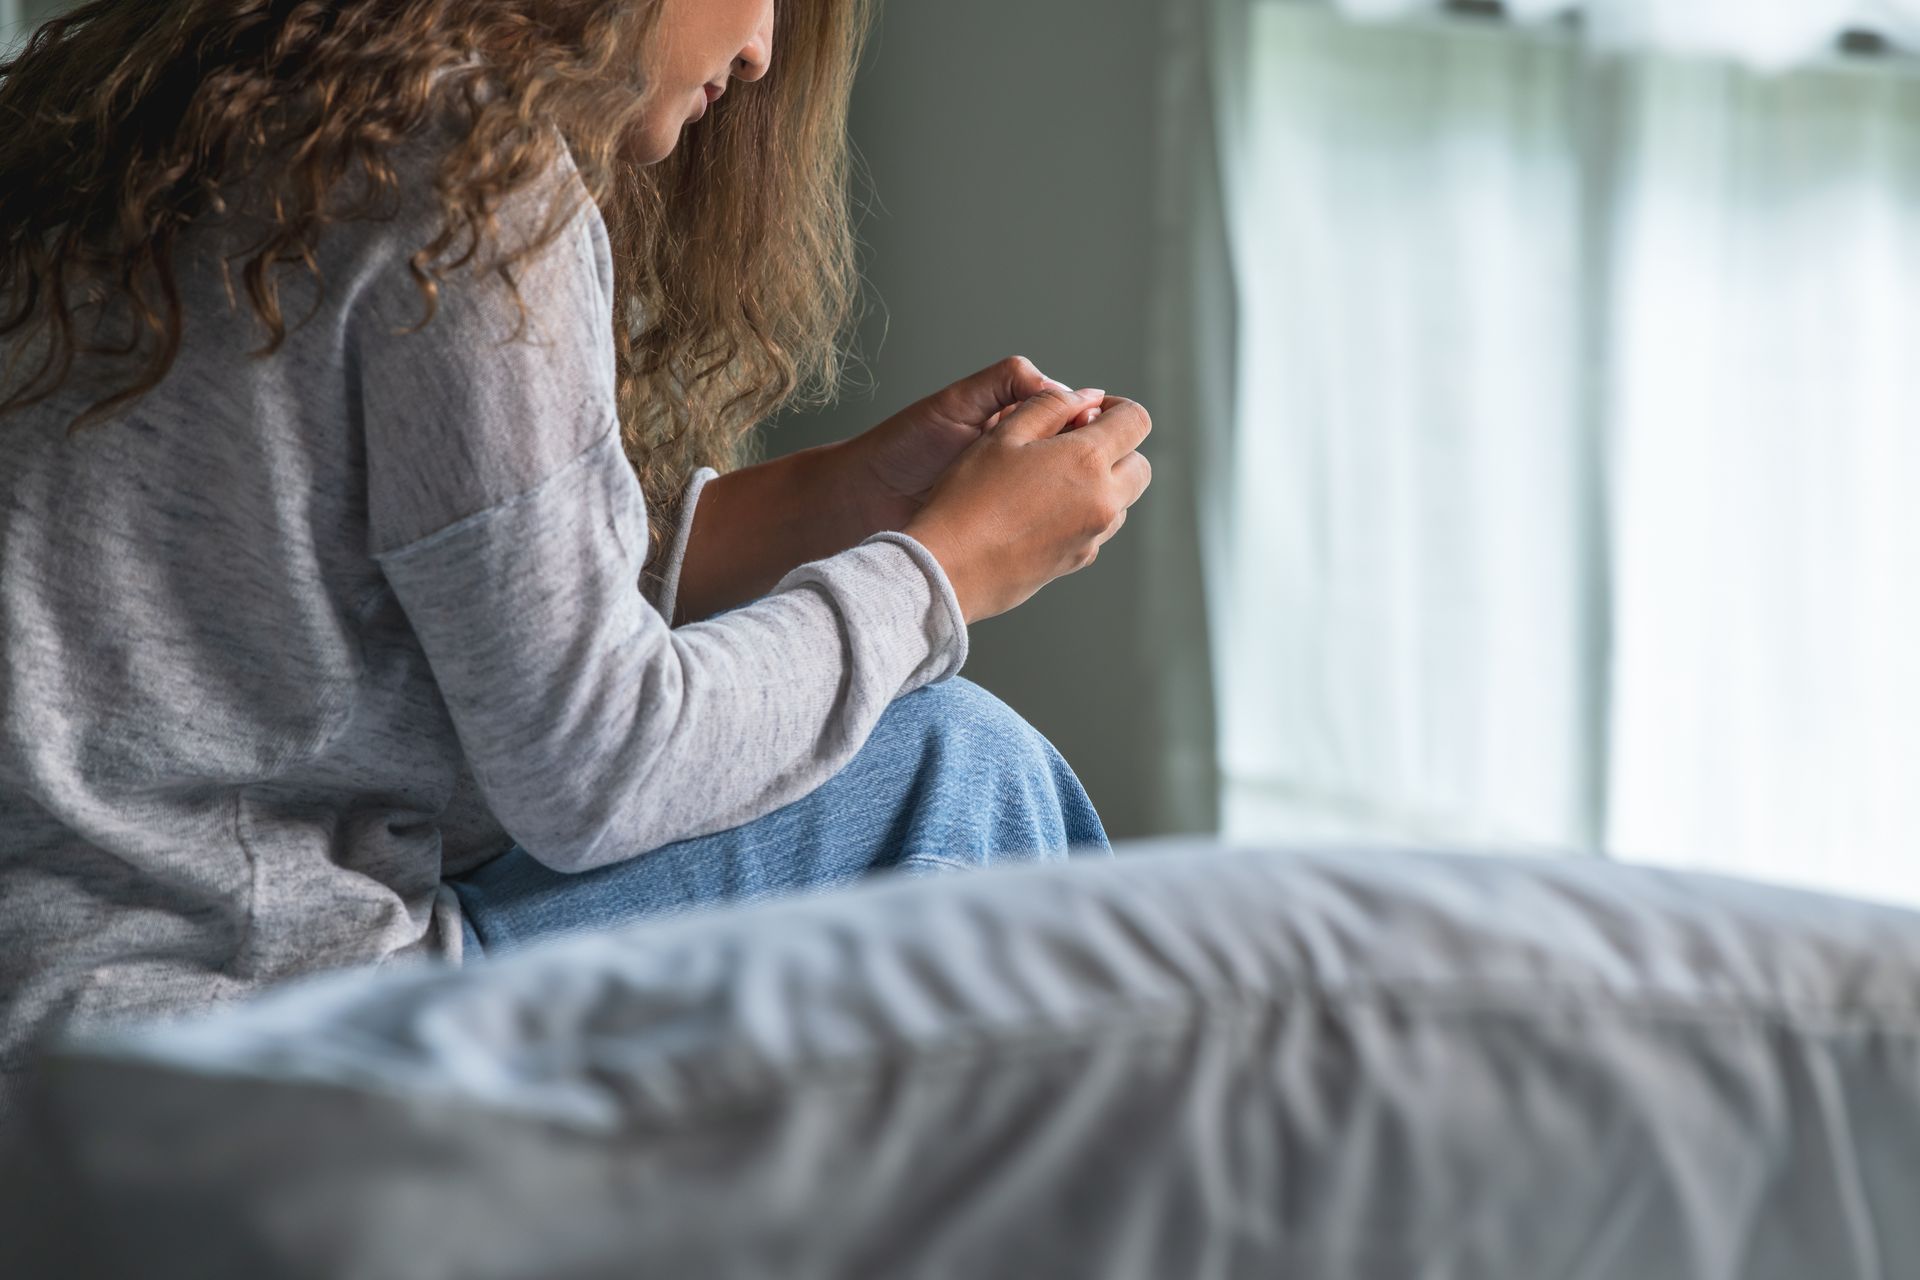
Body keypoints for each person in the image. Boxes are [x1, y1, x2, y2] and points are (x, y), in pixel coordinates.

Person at [0, 0, 1151, 1122]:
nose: (760, 53)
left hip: (52, 1001)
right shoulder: (471, 180)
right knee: (957, 763)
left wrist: (859, 499)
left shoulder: (206, 106)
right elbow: (597, 769)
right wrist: (936, 573)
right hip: (247, 1024)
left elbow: (456, 592)